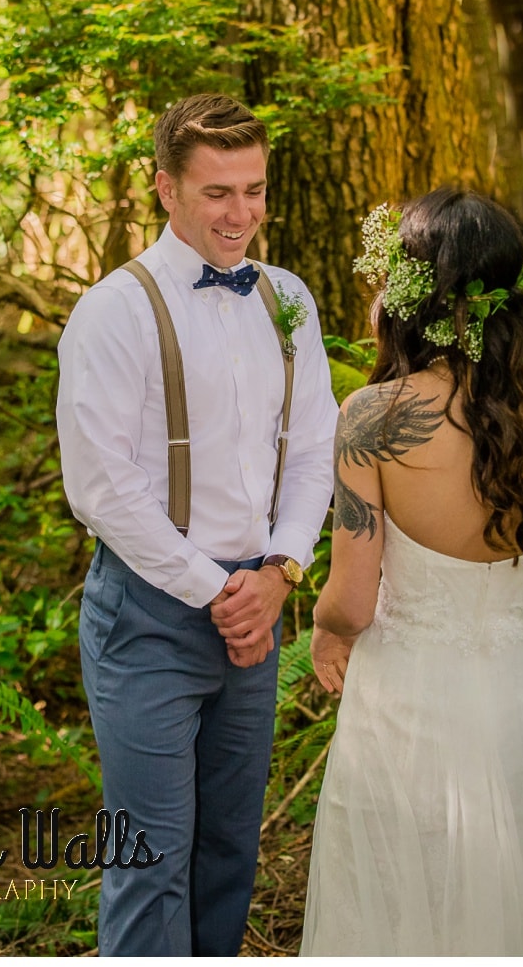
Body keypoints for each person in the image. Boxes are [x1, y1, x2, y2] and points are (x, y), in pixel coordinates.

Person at [296, 190, 523, 955]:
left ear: (409, 294)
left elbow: (350, 599)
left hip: (410, 707)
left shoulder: (373, 419)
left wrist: (323, 631)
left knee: (405, 904)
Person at [57, 94, 336, 956]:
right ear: (166, 189)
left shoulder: (286, 298)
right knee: (149, 858)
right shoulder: (114, 310)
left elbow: (313, 446)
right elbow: (101, 488)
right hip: (150, 614)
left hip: (259, 602)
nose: (240, 213)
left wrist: (281, 569)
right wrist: (223, 590)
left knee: (227, 851)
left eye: (253, 189)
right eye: (218, 191)